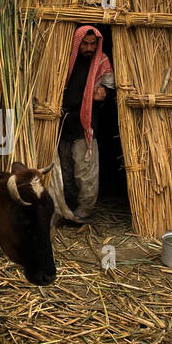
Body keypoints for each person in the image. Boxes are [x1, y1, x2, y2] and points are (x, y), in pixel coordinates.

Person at [58, 25, 114, 221]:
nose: (89, 48)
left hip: (85, 125)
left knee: (85, 171)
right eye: (85, 44)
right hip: (62, 124)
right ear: (77, 43)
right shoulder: (65, 61)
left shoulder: (101, 61)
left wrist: (104, 94)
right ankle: (68, 205)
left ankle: (85, 209)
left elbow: (110, 87)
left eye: (93, 44)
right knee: (65, 169)